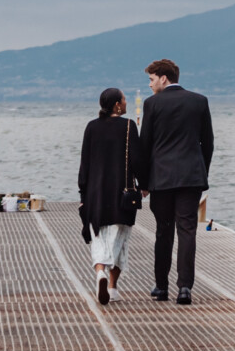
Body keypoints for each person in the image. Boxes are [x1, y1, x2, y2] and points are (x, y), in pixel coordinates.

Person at [134, 57, 214, 303]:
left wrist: (144, 182)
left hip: (162, 178)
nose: (149, 85)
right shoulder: (199, 101)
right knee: (187, 231)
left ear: (163, 78)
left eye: (151, 79)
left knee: (163, 231)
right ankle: (185, 288)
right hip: (191, 178)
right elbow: (207, 143)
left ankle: (161, 287)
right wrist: (202, 173)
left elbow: (145, 145)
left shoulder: (152, 104)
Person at [77, 87, 143, 304]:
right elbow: (136, 159)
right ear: (116, 104)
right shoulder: (128, 126)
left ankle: (100, 273)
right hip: (121, 193)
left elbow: (84, 163)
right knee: (119, 238)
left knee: (98, 235)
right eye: (124, 100)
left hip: (96, 193)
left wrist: (83, 192)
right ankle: (112, 286)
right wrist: (145, 184)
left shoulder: (92, 127)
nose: (126, 103)